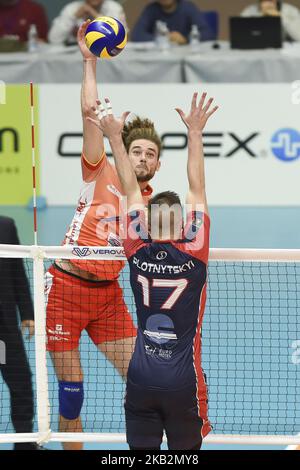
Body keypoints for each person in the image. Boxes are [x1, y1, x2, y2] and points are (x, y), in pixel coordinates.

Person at [45, 19, 161, 451]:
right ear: (123, 151)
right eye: (137, 150)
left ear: (156, 165)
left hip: (108, 295)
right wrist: (89, 64)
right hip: (66, 286)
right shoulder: (100, 168)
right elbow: (89, 117)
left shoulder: (152, 202)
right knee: (72, 394)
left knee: (144, 381)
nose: (143, 156)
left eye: (150, 153)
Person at [88, 91, 218, 450]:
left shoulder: (135, 247)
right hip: (183, 383)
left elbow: (130, 189)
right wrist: (195, 133)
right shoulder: (194, 254)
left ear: (146, 221)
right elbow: (198, 187)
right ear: (182, 225)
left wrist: (115, 136)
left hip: (140, 380)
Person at [0, 216, 41, 450]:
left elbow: (17, 272)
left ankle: (24, 442)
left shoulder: (5, 227)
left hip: (3, 330)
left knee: (21, 382)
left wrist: (28, 313)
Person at [131, 0, 213, 45]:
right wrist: (164, 38)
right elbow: (136, 35)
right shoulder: (151, 9)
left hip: (184, 57)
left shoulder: (188, 8)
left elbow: (208, 34)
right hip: (161, 58)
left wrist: (185, 39)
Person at [48, 0, 127, 45]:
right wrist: (73, 17)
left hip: (105, 56)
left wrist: (96, 15)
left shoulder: (114, 8)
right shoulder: (72, 8)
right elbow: (54, 39)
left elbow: (119, 39)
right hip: (75, 57)